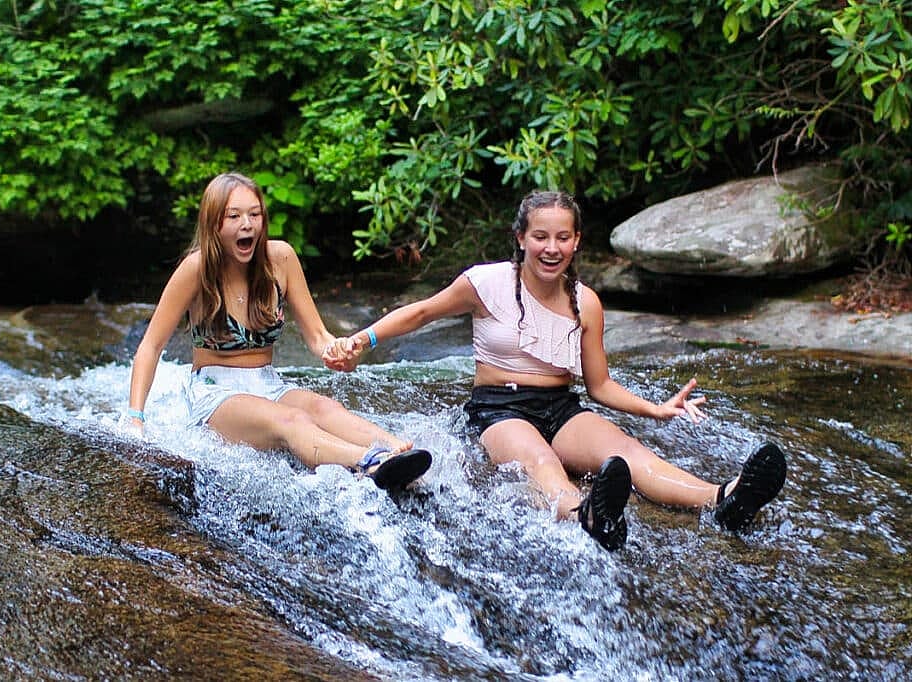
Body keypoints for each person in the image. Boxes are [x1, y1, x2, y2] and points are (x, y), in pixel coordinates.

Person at [329, 190, 786, 550]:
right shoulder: (484, 283)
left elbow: (600, 385)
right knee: (540, 461)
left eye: (562, 238)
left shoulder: (585, 302)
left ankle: (724, 499)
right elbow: (421, 314)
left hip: (561, 407)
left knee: (627, 452)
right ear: (521, 239)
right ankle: (583, 514)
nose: (551, 248)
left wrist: (655, 410)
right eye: (541, 237)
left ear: (576, 241)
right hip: (498, 409)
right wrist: (361, 340)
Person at [126, 172, 431, 490]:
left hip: (268, 383)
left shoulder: (281, 259)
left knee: (325, 408)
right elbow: (151, 345)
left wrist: (335, 350)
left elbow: (317, 336)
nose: (247, 224)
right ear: (213, 223)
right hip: (215, 393)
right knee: (292, 421)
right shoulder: (196, 269)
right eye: (234, 216)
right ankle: (369, 463)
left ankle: (399, 453)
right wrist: (136, 419)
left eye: (254, 214)